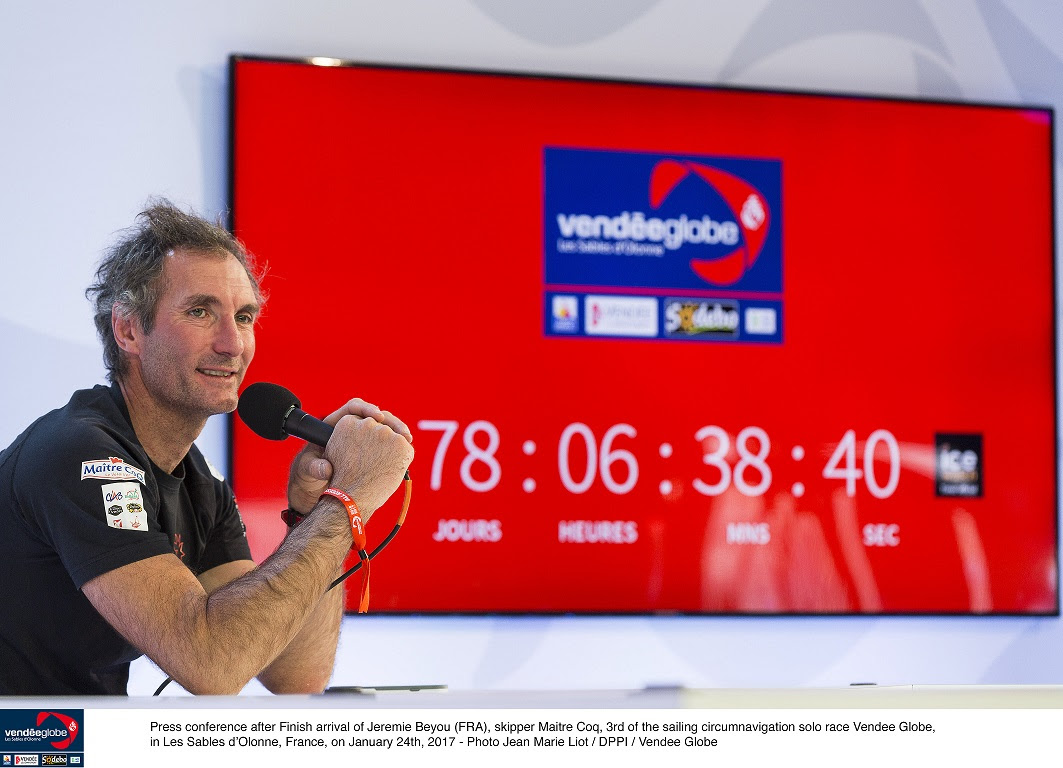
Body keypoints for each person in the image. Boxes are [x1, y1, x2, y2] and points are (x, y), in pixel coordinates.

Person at [0, 199, 414, 695]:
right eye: (200, 312)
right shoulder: (82, 454)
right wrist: (345, 503)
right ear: (128, 330)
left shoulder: (198, 480)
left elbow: (294, 674)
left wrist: (311, 511)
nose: (232, 344)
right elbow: (212, 664)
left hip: (63, 733)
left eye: (244, 316)